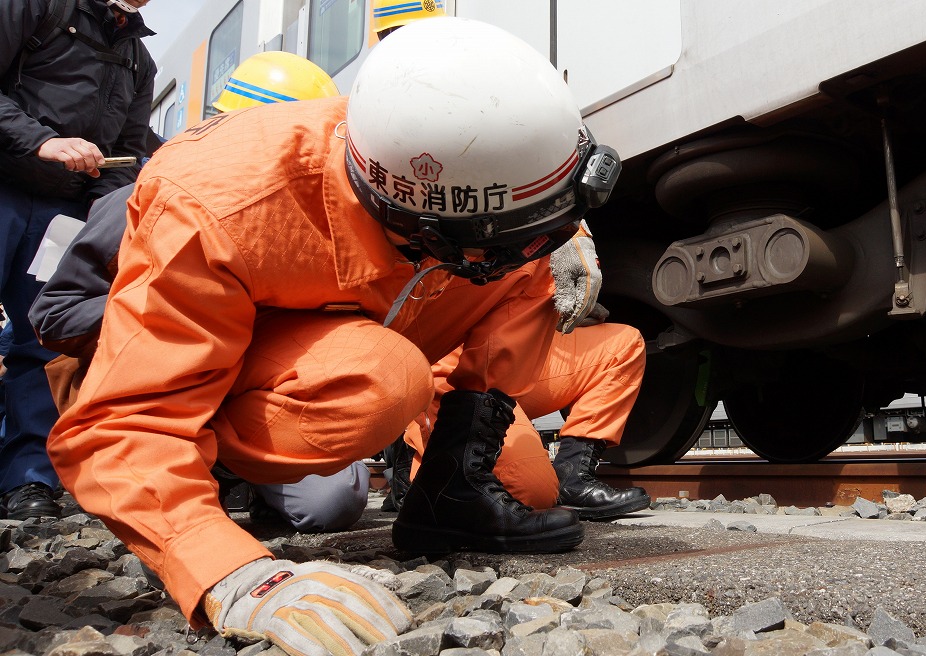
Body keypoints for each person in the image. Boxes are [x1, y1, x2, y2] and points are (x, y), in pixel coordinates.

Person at [47, 17, 618, 654]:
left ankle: (448, 492)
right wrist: (233, 575)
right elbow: (130, 422)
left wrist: (567, 235)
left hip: (370, 344)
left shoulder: (453, 154)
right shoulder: (214, 202)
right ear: (422, 230)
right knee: (379, 382)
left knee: (530, 483)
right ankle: (217, 471)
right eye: (507, 238)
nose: (540, 248)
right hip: (248, 375)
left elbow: (518, 239)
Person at [31, 51, 366, 534]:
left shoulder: (311, 222)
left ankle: (235, 469)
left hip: (245, 382)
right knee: (163, 511)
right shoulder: (139, 196)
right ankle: (157, 466)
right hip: (155, 387)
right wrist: (177, 301)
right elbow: (56, 315)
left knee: (331, 503)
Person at [373, 0, 651, 523]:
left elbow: (544, 178)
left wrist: (572, 236)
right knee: (530, 491)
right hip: (448, 366)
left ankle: (577, 474)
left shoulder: (489, 118)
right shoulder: (383, 141)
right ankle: (417, 469)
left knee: (622, 345)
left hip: (503, 354)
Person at [0, 0, 156, 521]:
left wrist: (105, 207)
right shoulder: (36, 6)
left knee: (42, 342)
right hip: (4, 184)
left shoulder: (139, 58)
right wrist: (41, 141)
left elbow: (129, 149)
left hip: (62, 214)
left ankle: (28, 480)